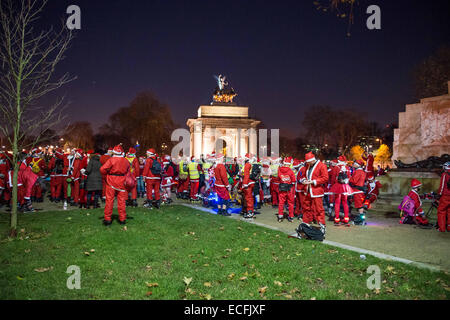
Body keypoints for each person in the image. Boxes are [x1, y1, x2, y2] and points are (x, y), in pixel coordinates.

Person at [299, 152, 328, 235]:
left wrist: (314, 181)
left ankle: (322, 225)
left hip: (316, 191)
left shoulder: (322, 166)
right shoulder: (308, 166)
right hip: (308, 190)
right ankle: (306, 224)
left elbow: (325, 178)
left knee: (319, 209)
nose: (307, 163)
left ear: (312, 160)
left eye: (308, 162)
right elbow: (303, 176)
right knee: (306, 208)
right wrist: (304, 180)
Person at [100, 144, 129, 225]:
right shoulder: (125, 160)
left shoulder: (111, 160)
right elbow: (128, 170)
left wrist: (106, 174)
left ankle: (107, 219)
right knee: (122, 201)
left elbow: (102, 169)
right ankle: (122, 219)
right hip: (122, 182)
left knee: (109, 200)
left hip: (111, 181)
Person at [329, 155, 353, 226]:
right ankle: (346, 219)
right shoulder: (347, 167)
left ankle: (337, 219)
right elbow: (349, 177)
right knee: (345, 202)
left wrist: (333, 185)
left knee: (337, 203)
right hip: (345, 187)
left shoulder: (336, 167)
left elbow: (333, 178)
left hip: (338, 186)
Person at [277, 157, 296, 222]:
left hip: (282, 187)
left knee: (281, 202)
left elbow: (278, 178)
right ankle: (291, 216)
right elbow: (293, 180)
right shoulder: (290, 171)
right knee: (290, 203)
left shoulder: (279, 169)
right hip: (289, 188)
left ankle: (280, 215)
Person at [349, 159, 367, 225]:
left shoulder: (358, 172)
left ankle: (361, 219)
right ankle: (361, 218)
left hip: (357, 191)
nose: (353, 164)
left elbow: (354, 181)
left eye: (354, 163)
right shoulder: (362, 172)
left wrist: (348, 179)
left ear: (358, 165)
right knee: (359, 205)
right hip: (359, 190)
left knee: (359, 205)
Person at [242, 153, 257, 219]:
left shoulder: (247, 164)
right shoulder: (253, 164)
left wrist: (245, 183)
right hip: (252, 182)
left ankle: (250, 212)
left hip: (248, 183)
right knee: (250, 197)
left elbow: (246, 175)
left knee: (248, 198)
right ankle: (251, 211)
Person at [436, 162, 450, 232]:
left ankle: (442, 228)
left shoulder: (445, 174)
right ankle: (449, 227)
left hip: (445, 196)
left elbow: (442, 186)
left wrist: (439, 195)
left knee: (441, 211)